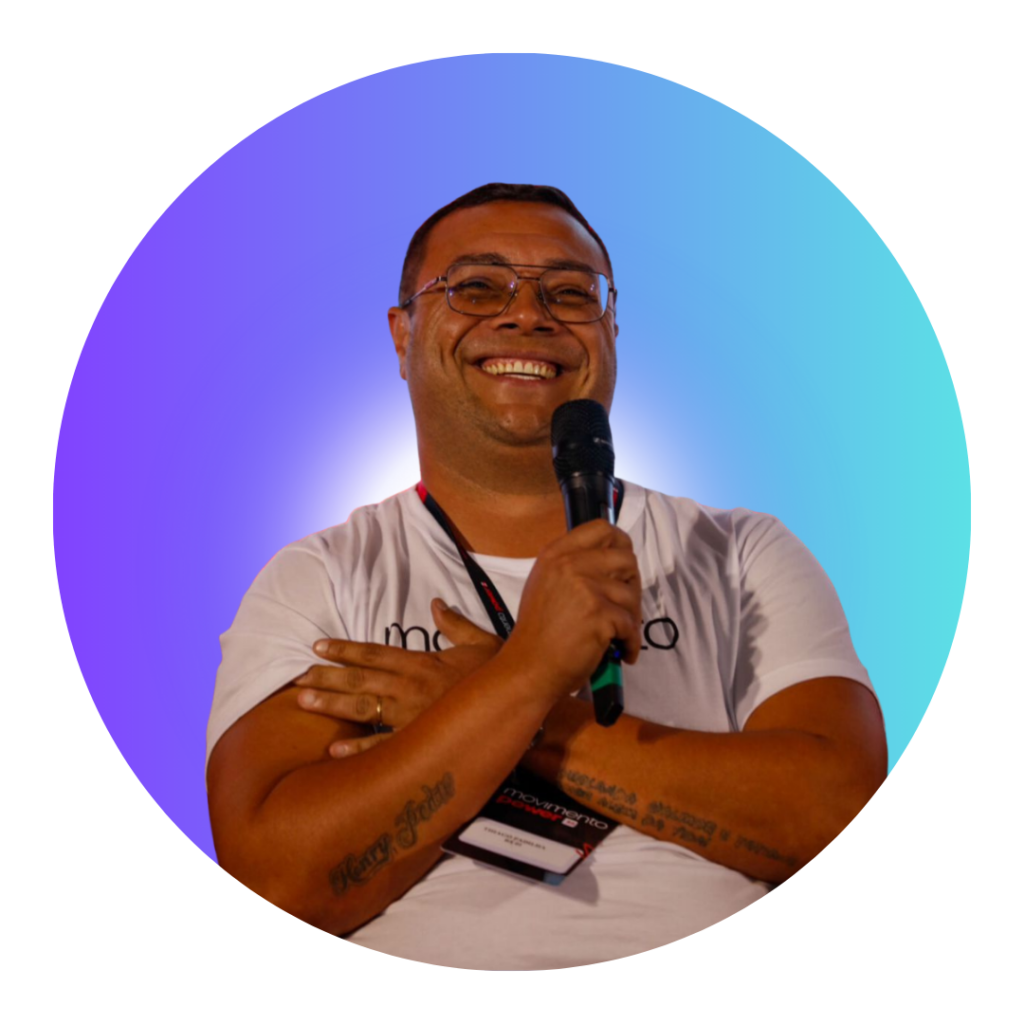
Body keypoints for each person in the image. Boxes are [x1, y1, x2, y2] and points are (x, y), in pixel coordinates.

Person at [206, 183, 887, 969]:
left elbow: (836, 815)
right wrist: (528, 671)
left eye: (569, 293)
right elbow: (274, 885)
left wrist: (495, 704)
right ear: (402, 334)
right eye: (476, 287)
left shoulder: (739, 553)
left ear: (611, 331)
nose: (527, 314)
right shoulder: (318, 578)